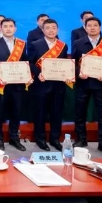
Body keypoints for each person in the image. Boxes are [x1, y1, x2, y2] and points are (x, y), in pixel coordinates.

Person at [72, 17, 102, 157]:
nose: (92, 28)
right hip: (83, 83)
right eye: (89, 25)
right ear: (85, 28)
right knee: (80, 113)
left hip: (101, 84)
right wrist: (79, 73)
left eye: (95, 25)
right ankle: (81, 139)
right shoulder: (78, 43)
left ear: (100, 27)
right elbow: (74, 63)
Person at [0, 18, 31, 151]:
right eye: (5, 26)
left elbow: (25, 62)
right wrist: (0, 75)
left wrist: (28, 76)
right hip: (1, 85)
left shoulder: (21, 44)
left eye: (11, 26)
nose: (8, 28)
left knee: (16, 112)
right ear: (0, 28)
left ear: (15, 28)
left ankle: (14, 138)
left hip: (17, 85)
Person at [29, 19, 69, 151]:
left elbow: (65, 64)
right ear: (43, 30)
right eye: (48, 28)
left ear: (57, 30)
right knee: (40, 113)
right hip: (41, 84)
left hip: (58, 85)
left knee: (57, 113)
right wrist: (38, 73)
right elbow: (30, 63)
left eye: (53, 28)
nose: (51, 30)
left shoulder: (63, 46)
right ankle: (40, 139)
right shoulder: (35, 44)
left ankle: (55, 139)